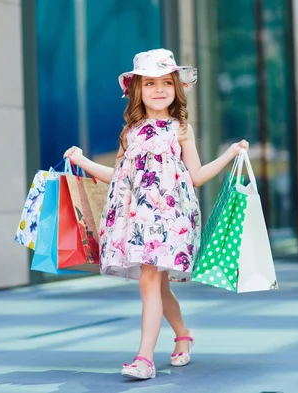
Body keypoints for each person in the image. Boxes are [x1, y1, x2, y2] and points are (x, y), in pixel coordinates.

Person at [63, 48, 249, 380]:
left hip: (172, 220)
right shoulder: (130, 132)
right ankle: (183, 334)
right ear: (137, 90)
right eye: (150, 83)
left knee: (151, 281)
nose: (159, 89)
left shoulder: (180, 129)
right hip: (138, 221)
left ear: (177, 88)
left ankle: (144, 359)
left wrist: (230, 154)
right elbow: (118, 175)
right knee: (158, 288)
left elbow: (195, 176)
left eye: (166, 82)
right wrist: (83, 162)